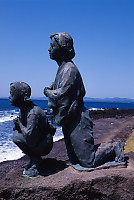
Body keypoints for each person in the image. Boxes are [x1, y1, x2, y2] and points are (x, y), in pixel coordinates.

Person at [44, 32, 125, 169]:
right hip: (69, 118)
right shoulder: (62, 69)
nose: (49, 49)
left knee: (88, 161)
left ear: (62, 48)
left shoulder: (70, 69)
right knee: (75, 159)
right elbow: (58, 88)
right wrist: (51, 89)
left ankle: (114, 146)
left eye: (52, 46)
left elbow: (61, 94)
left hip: (77, 120)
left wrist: (47, 92)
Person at [9, 82, 56, 176]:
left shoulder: (33, 113)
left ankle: (36, 160)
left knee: (16, 137)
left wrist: (19, 124)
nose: (9, 97)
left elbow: (29, 134)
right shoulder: (23, 109)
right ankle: (34, 159)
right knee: (16, 134)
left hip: (44, 144)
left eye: (12, 94)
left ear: (20, 96)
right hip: (37, 140)